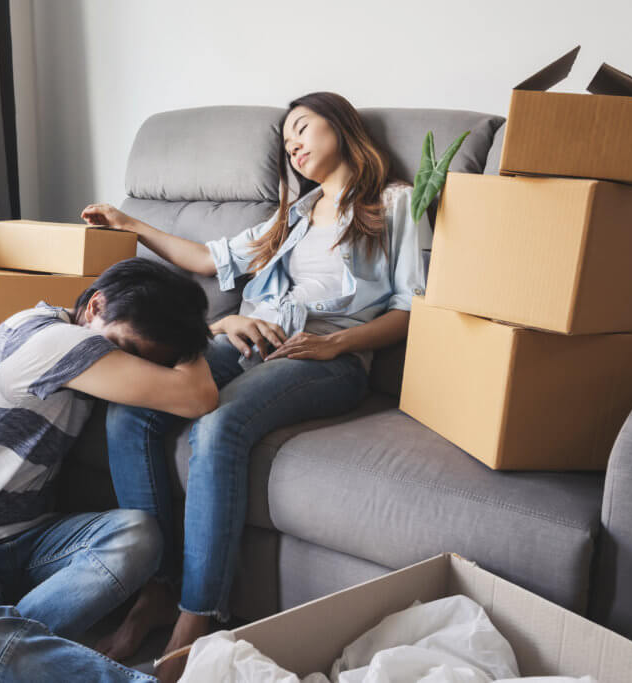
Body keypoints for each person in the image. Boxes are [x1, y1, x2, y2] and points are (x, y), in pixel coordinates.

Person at [82, 91, 432, 682]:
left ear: (342, 126)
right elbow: (208, 257)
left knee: (218, 428)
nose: (292, 144)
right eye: (286, 140)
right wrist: (129, 224)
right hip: (249, 340)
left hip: (327, 355)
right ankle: (155, 588)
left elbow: (412, 308)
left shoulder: (392, 203)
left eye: (302, 127)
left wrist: (338, 344)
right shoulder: (292, 215)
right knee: (131, 410)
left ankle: (197, 619)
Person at [0, 258, 219, 683]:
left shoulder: (86, 339)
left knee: (139, 536)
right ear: (95, 306)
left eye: (147, 361)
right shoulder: (49, 340)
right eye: (130, 350)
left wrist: (212, 330)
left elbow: (191, 392)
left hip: (34, 541)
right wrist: (202, 348)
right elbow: (197, 397)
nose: (130, 364)